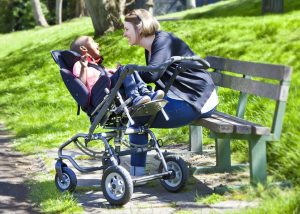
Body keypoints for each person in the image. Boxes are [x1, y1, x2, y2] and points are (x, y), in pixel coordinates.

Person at [123, 9, 219, 176]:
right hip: (185, 96)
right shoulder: (151, 46)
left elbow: (153, 73)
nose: (124, 34)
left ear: (139, 29)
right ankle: (136, 172)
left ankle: (136, 175)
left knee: (138, 118)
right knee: (139, 114)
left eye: (126, 29)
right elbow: (155, 75)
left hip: (197, 100)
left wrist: (129, 71)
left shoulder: (163, 41)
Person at [70, 36, 165, 106]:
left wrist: (117, 71)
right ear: (83, 49)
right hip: (100, 94)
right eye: (93, 42)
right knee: (125, 69)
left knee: (129, 68)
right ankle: (134, 97)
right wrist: (83, 68)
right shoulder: (79, 64)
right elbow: (80, 85)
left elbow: (105, 74)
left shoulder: (95, 65)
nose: (97, 43)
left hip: (108, 89)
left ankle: (146, 93)